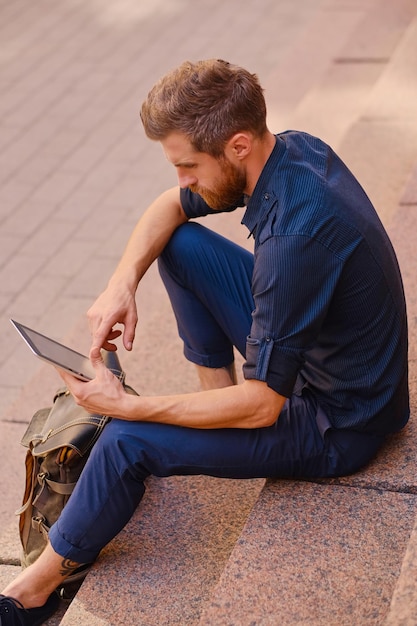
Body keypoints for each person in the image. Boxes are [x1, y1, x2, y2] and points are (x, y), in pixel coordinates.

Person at [0, 59, 409, 625]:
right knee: (180, 244)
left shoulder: (294, 237)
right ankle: (212, 414)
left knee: (126, 440)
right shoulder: (291, 150)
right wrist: (122, 284)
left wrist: (131, 408)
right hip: (324, 355)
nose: (182, 180)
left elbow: (265, 403)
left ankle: (32, 592)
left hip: (338, 423)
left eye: (188, 166)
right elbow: (168, 209)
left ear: (237, 145)